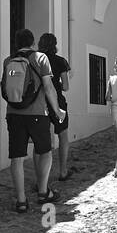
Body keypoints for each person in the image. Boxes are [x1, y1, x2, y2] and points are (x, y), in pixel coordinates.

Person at [3, 28, 63, 212]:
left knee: (17, 157)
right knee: (45, 152)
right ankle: (43, 192)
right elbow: (49, 87)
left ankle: (21, 200)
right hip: (38, 114)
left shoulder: (8, 61)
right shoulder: (41, 58)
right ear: (33, 42)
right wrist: (57, 110)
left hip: (14, 114)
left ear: (16, 43)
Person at [39, 32, 74, 181]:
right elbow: (66, 87)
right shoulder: (61, 61)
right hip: (58, 101)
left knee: (40, 138)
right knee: (63, 135)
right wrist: (56, 84)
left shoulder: (37, 61)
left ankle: (41, 179)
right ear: (55, 45)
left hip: (40, 102)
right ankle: (63, 171)